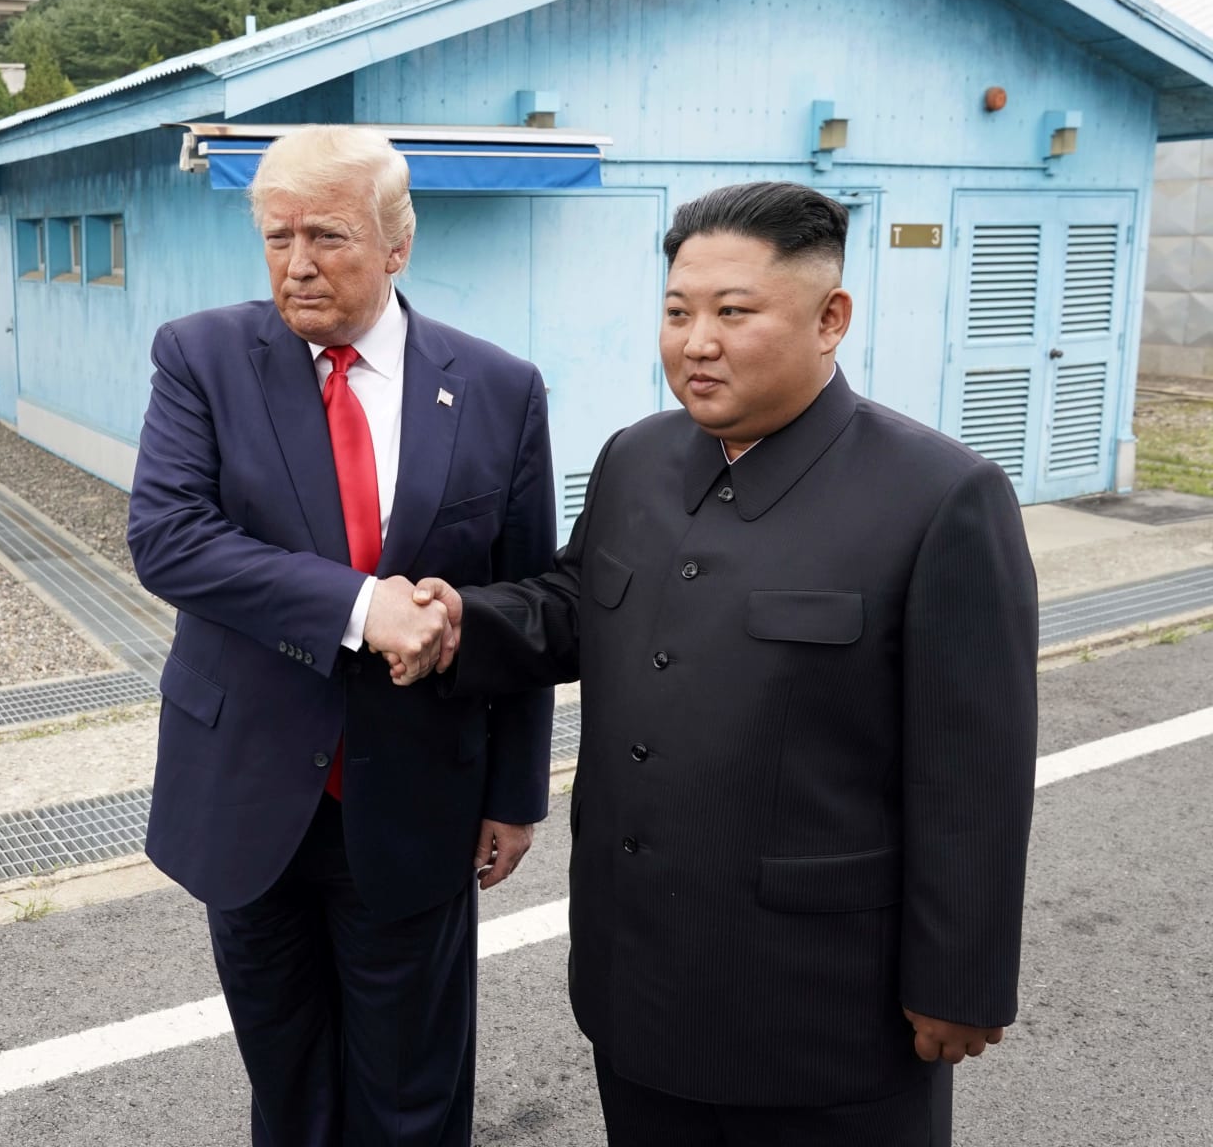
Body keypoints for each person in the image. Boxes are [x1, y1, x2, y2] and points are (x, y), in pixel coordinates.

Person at [401, 181, 1038, 1146]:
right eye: (677, 311)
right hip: (637, 981)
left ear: (831, 319)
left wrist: (962, 981)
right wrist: (462, 620)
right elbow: (579, 604)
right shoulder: (637, 459)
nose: (696, 341)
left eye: (733, 313)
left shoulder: (939, 497)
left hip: (822, 1007)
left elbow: (974, 772)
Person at [126, 125, 557, 1146]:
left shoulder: (500, 387)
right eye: (276, 236)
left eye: (326, 234)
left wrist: (516, 792)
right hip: (250, 793)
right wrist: (364, 609)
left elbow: (526, 606)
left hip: (416, 796)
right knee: (289, 1088)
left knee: (412, 1092)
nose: (297, 262)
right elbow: (169, 538)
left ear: (398, 242)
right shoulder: (203, 357)